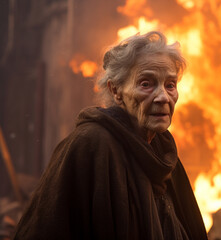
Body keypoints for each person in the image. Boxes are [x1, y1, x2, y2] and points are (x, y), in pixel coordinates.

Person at [13, 31, 208, 240]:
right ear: (116, 91)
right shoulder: (90, 144)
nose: (163, 97)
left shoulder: (163, 151)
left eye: (170, 85)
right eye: (146, 84)